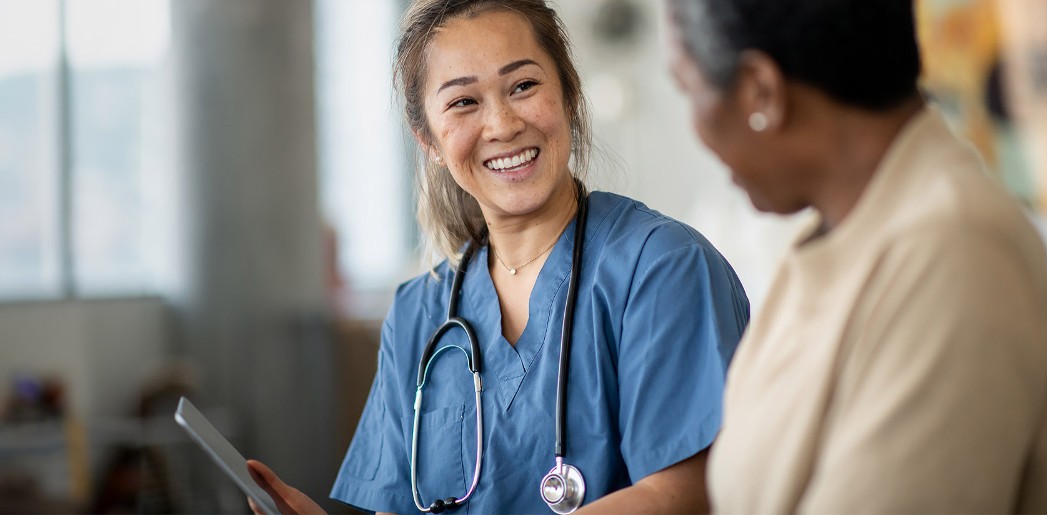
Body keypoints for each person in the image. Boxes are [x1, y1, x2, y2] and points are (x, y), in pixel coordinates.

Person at [247, 0, 750, 513]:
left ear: (569, 96)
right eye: (463, 102)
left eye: (524, 86)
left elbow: (679, 496)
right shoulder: (417, 315)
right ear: (429, 142)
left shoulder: (663, 268)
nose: (503, 124)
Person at [664, 0, 1047, 512]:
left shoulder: (956, 252)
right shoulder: (831, 237)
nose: (695, 129)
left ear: (760, 91)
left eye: (690, 89)